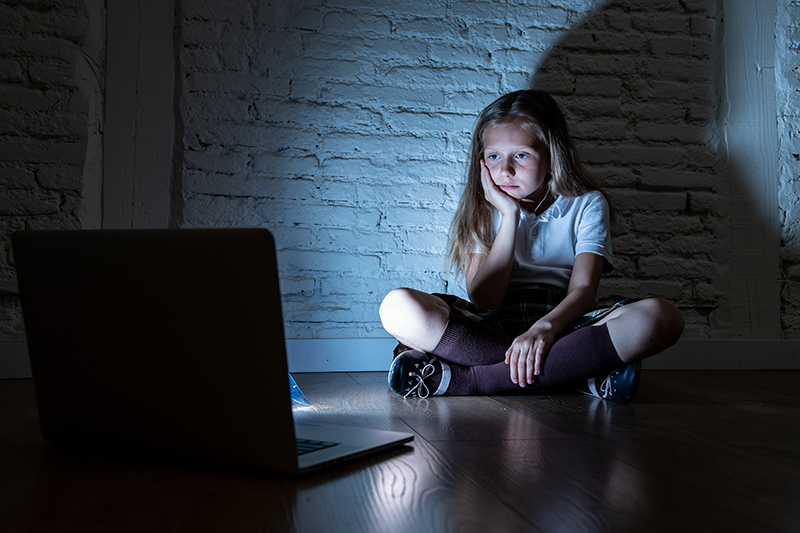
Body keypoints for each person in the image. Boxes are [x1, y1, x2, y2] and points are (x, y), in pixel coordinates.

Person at [379, 90, 684, 402]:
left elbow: (583, 291)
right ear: (481, 161)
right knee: (397, 307)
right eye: (494, 156)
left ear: (552, 158)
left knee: (663, 317)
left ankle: (469, 380)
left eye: (521, 156)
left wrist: (543, 331)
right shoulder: (484, 207)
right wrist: (509, 216)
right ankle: (576, 375)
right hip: (492, 325)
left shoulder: (586, 203)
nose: (505, 170)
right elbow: (486, 297)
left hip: (563, 326)